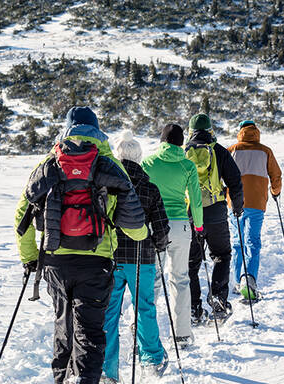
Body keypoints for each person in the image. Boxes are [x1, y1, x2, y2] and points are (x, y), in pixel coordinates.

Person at [15, 107, 148, 384]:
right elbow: (135, 228)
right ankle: (85, 379)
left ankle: (62, 378)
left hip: (55, 261)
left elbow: (21, 217)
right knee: (89, 330)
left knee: (63, 325)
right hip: (95, 262)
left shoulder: (49, 163)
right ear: (98, 131)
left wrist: (30, 258)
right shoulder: (109, 163)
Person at [102, 131, 170, 382]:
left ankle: (108, 370)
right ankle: (151, 358)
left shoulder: (107, 185)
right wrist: (157, 245)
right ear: (139, 157)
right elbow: (162, 227)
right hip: (142, 258)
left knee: (109, 312)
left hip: (110, 258)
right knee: (145, 308)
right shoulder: (150, 188)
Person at [141, 123, 204, 348]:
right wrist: (198, 226)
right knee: (180, 279)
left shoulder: (148, 162)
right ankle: (182, 334)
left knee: (152, 279)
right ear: (180, 143)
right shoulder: (187, 165)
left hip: (153, 225)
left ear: (162, 141)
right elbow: (195, 200)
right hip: (180, 226)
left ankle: (144, 329)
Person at [184, 114, 244, 324]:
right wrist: (237, 207)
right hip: (216, 212)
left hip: (191, 215)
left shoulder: (183, 153)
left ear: (190, 131)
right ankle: (218, 298)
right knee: (221, 255)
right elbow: (235, 181)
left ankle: (194, 308)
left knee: (191, 263)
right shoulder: (219, 151)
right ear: (210, 130)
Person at [227, 120, 282, 301]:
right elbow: (276, 175)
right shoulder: (265, 151)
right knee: (252, 241)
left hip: (234, 202)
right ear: (256, 132)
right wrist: (275, 192)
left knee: (237, 242)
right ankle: (249, 280)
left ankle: (236, 281)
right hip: (257, 203)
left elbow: (221, 176)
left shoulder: (232, 150)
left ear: (240, 131)